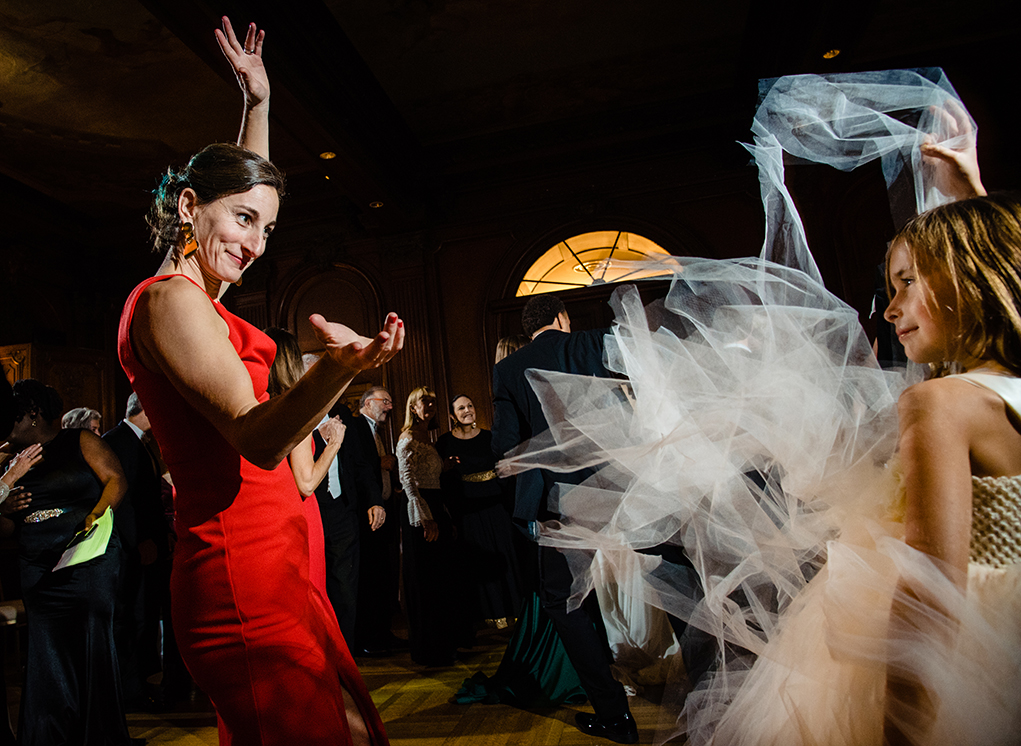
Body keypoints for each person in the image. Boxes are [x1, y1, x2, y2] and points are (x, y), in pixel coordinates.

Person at [496, 71, 1015, 746]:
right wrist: (967, 198)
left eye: (905, 285)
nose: (886, 310)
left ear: (960, 283)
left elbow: (928, 597)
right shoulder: (1001, 391)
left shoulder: (937, 404)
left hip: (920, 665)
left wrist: (902, 727)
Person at [117, 17, 402, 746]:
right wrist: (337, 369)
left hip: (277, 561)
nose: (255, 243)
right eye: (244, 222)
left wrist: (258, 105)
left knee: (347, 731)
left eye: (268, 231)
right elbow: (257, 439)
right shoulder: (168, 302)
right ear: (187, 209)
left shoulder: (201, 295)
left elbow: (241, 188)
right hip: (237, 576)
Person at [492, 295, 638, 744]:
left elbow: (508, 448)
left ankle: (615, 715)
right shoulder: (593, 343)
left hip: (562, 502)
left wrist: (523, 508)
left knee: (563, 602)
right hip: (626, 488)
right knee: (671, 568)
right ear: (563, 318)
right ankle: (709, 688)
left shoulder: (507, 369)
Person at [6, 379, 132, 745]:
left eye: (13, 417)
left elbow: (116, 481)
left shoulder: (79, 441)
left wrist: (94, 516)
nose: (8, 425)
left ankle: (97, 734)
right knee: (46, 653)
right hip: (37, 568)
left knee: (91, 643)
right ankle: (50, 735)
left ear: (33, 413)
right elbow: (3, 529)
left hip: (86, 561)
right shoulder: (8, 458)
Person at [103, 392, 174, 711]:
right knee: (131, 618)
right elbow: (124, 501)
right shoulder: (117, 441)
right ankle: (129, 691)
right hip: (132, 548)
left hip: (147, 544)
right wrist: (140, 540)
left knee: (144, 615)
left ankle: (145, 683)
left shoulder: (141, 443)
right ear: (145, 409)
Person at [264, 327, 345, 602]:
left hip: (273, 514)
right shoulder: (293, 408)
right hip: (300, 512)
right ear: (292, 362)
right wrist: (333, 444)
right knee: (308, 594)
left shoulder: (261, 406)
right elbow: (306, 483)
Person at [437, 394, 522, 627]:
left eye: (470, 406)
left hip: (496, 507)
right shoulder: (444, 443)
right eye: (461, 408)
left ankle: (513, 612)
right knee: (479, 562)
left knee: (504, 557)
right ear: (453, 415)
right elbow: (442, 482)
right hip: (468, 511)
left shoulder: (490, 437)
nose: (467, 410)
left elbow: (505, 471)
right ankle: (490, 616)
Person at [395, 386, 459, 666]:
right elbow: (407, 480)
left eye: (434, 401)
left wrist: (445, 466)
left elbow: (427, 473)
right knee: (425, 579)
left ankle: (442, 643)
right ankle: (428, 648)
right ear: (413, 407)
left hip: (435, 502)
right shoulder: (408, 437)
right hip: (420, 509)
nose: (431, 405)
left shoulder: (427, 438)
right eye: (425, 401)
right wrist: (425, 516)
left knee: (439, 578)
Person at [353, 386, 404, 654]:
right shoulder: (357, 427)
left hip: (384, 509)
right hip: (366, 515)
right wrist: (380, 464)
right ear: (368, 403)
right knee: (371, 578)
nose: (390, 406)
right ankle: (370, 639)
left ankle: (384, 634)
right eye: (386, 401)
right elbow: (357, 467)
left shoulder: (376, 431)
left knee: (384, 575)